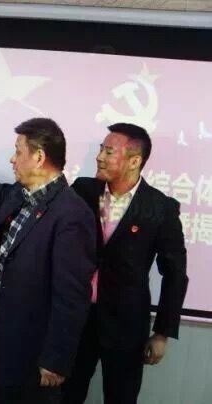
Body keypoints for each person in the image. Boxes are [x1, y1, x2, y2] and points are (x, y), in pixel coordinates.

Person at [0, 117, 97, 403]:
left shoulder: (71, 213)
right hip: (11, 327)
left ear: (39, 157)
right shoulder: (22, 195)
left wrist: (56, 359)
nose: (12, 159)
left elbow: (72, 295)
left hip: (39, 343)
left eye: (18, 151)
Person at [62, 123, 188, 404]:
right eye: (101, 149)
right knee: (65, 395)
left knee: (121, 397)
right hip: (77, 318)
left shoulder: (160, 208)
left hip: (126, 326)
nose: (99, 157)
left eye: (109, 152)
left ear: (134, 161)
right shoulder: (82, 190)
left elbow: (175, 274)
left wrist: (162, 333)